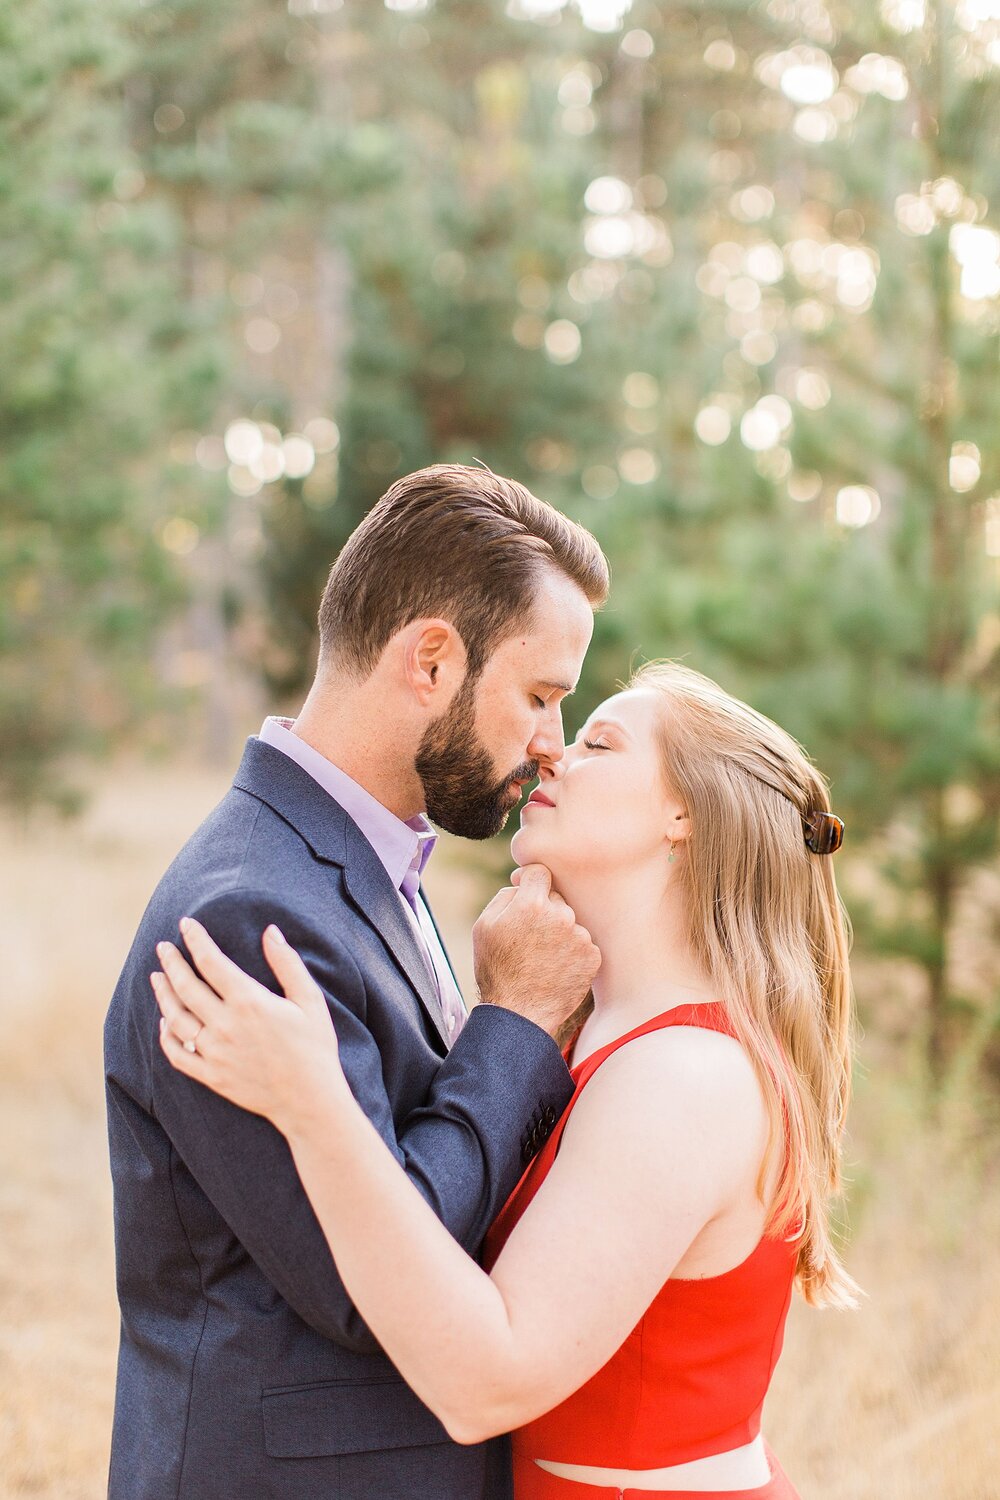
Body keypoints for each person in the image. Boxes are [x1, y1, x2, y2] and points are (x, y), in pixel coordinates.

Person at [154, 660, 859, 1500]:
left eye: (600, 742)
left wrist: (313, 1103)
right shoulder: (606, 1029)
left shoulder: (683, 1077)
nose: (555, 755)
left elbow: (484, 1382)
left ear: (685, 815)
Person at [104, 463, 610, 1500]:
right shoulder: (248, 916)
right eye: (539, 696)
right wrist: (513, 1019)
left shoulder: (361, 862)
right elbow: (371, 1275)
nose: (551, 745)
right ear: (431, 661)